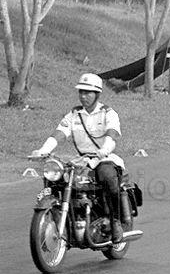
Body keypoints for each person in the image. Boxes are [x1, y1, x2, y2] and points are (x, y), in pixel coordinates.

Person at [31, 73, 125, 243]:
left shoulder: (108, 113)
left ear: (97, 94)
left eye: (88, 93)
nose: (83, 96)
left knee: (108, 177)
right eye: (81, 92)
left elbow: (112, 134)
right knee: (55, 178)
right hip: (81, 160)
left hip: (103, 158)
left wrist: (104, 149)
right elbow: (59, 133)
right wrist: (43, 150)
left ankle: (115, 221)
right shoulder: (74, 115)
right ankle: (62, 216)